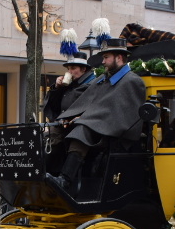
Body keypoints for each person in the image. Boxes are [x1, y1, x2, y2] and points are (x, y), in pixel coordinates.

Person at [47, 37, 146, 191]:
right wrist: (69, 118)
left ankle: (65, 180)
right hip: (96, 126)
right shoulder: (103, 79)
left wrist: (85, 119)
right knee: (56, 129)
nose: (103, 62)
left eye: (106, 57)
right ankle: (45, 174)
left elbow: (123, 115)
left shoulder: (132, 81)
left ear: (119, 58)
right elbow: (87, 102)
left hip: (115, 134)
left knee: (82, 130)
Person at [42, 51, 96, 171]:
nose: (69, 72)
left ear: (83, 69)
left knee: (54, 146)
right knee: (42, 139)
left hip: (79, 127)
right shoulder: (71, 84)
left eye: (73, 68)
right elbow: (55, 106)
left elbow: (94, 107)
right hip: (62, 125)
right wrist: (56, 88)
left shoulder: (93, 84)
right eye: (68, 69)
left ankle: (58, 178)